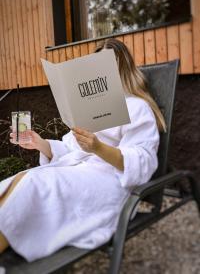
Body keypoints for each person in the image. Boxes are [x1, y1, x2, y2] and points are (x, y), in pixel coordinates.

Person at [0, 39, 166, 262]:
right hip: (79, 172)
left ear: (121, 65)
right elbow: (70, 147)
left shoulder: (138, 107)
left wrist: (98, 147)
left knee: (33, 185)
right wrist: (40, 143)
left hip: (109, 183)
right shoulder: (93, 107)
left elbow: (142, 161)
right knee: (21, 179)